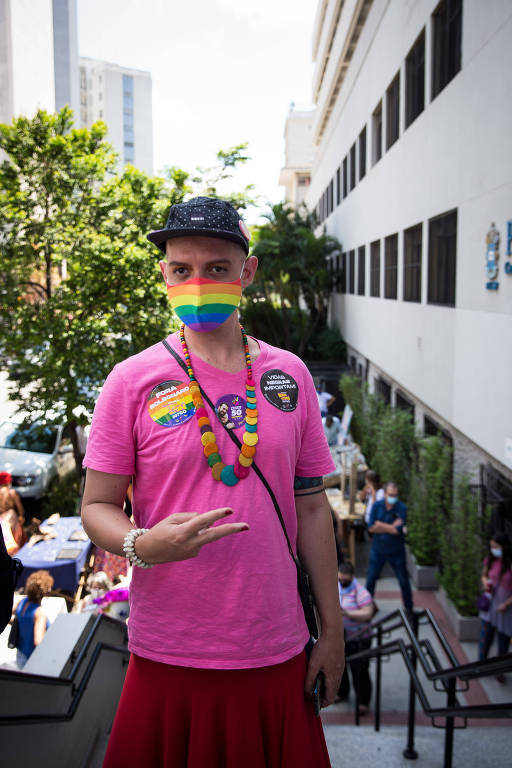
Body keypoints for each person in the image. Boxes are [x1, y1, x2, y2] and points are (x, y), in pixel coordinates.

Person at [81, 196, 344, 768]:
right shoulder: (130, 381)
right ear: (165, 274)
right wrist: (142, 544)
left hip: (276, 646)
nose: (198, 283)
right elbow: (98, 505)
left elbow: (313, 508)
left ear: (246, 271)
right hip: (170, 650)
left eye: (217, 269)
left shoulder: (289, 375)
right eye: (182, 270)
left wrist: (333, 631)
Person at [366, 481, 413, 613]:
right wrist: (391, 527)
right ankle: (367, 606)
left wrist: (380, 525)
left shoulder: (401, 508)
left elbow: (397, 531)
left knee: (403, 581)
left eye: (396, 495)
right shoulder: (377, 506)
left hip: (396, 551)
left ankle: (409, 608)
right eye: (391, 494)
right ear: (385, 494)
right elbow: (371, 528)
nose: (393, 497)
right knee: (371, 579)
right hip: (378, 550)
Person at [336, 561, 374, 714]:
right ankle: (342, 692)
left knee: (360, 670)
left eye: (346, 580)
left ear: (352, 577)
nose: (343, 582)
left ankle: (363, 701)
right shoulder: (336, 588)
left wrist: (348, 613)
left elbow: (367, 613)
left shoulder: (361, 592)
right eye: (341, 579)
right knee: (341, 667)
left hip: (359, 639)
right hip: (342, 637)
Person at [479, 532, 512, 679]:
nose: (493, 549)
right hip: (490, 605)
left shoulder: (510, 564)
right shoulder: (491, 560)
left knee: (503, 641)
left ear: (504, 547)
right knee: (485, 637)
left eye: (496, 547)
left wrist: (506, 604)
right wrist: (485, 582)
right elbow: (484, 575)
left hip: (505, 608)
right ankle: (481, 665)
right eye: (492, 547)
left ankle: (499, 671)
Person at [12, 569, 54, 668]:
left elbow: (10, 617)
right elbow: (38, 641)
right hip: (31, 659)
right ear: (46, 590)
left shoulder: (22, 602)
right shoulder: (39, 613)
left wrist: (21, 622)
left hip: (20, 654)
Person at [0, 471, 25, 554]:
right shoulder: (11, 493)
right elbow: (20, 508)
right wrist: (21, 516)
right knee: (15, 539)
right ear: (8, 481)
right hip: (10, 517)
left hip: (1, 519)